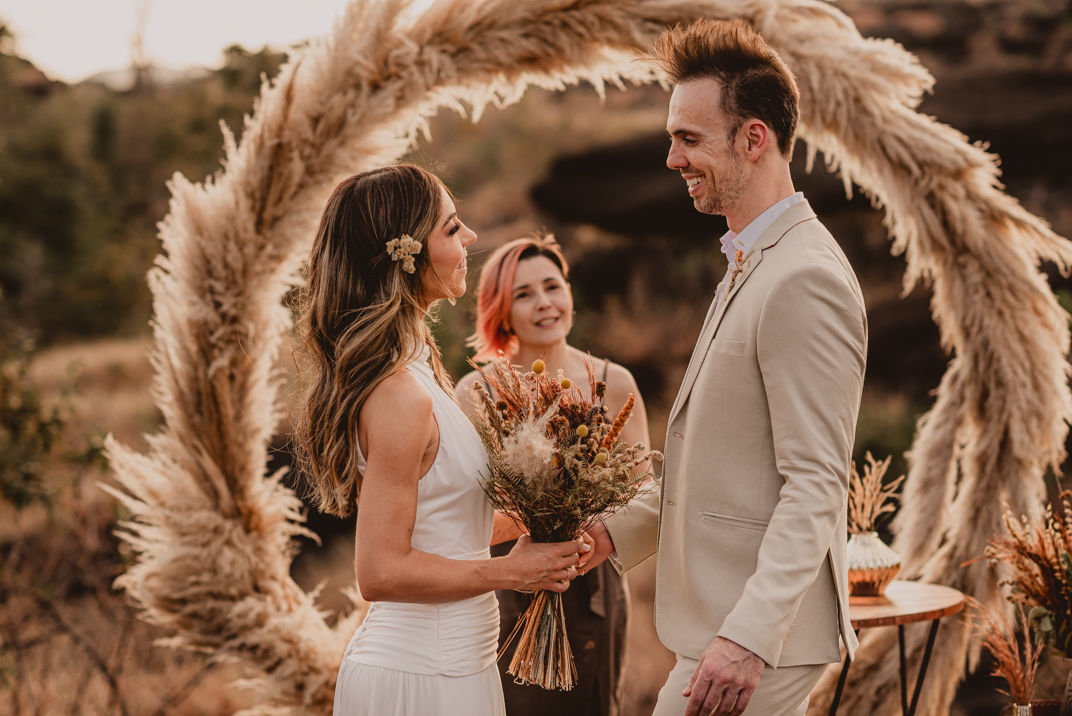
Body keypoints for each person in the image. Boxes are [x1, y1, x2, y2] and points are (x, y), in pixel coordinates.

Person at [584, 19, 867, 716]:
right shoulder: (753, 260)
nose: (673, 159)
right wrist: (605, 537)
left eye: (689, 138)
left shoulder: (804, 278)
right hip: (717, 626)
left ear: (753, 138)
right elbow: (717, 469)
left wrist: (747, 637)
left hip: (750, 637)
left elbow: (816, 484)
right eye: (671, 138)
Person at [292, 165, 588, 716]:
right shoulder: (399, 394)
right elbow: (379, 570)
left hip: (461, 666)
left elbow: (444, 522)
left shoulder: (421, 367)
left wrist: (551, 518)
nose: (471, 237)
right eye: (452, 229)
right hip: (418, 678)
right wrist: (509, 572)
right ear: (407, 256)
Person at [454, 234, 651, 716]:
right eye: (523, 294)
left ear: (569, 291)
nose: (544, 303)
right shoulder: (475, 392)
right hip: (507, 583)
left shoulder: (615, 382)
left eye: (552, 286)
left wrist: (589, 527)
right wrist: (539, 521)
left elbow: (646, 490)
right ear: (500, 311)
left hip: (591, 583)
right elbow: (465, 505)